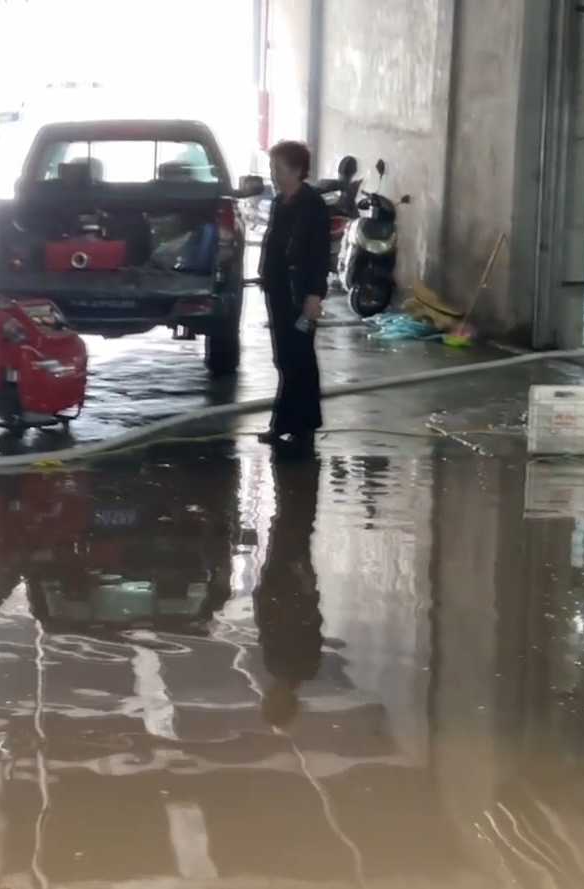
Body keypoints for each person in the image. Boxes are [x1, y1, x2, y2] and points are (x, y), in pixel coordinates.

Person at [257, 140, 330, 452]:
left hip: (300, 293)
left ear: (298, 170)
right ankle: (284, 423)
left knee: (301, 357)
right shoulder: (279, 202)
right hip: (278, 291)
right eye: (273, 168)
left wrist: (315, 294)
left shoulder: (313, 206)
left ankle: (305, 425)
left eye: (279, 168)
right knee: (284, 357)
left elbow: (319, 255)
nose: (274, 174)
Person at [254, 456, 323, 728]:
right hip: (288, 588)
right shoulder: (298, 667)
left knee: (288, 528)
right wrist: (306, 590)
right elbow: (307, 626)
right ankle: (298, 472)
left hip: (281, 588)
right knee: (291, 530)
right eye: (269, 700)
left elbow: (269, 627)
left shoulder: (287, 669)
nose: (266, 693)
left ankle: (297, 474)